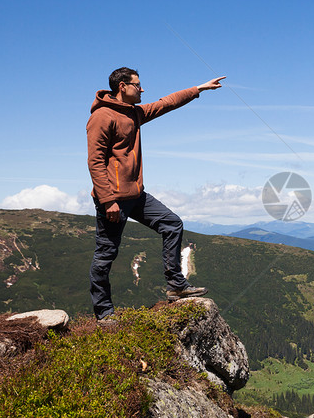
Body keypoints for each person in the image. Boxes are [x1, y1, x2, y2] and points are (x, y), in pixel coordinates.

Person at [86, 67, 225, 321]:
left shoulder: (134, 113)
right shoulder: (102, 117)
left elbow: (165, 104)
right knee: (106, 254)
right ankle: (104, 313)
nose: (142, 89)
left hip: (136, 195)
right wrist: (108, 201)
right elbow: (95, 161)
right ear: (122, 87)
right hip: (113, 199)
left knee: (172, 224)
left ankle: (176, 286)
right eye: (137, 85)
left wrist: (199, 89)